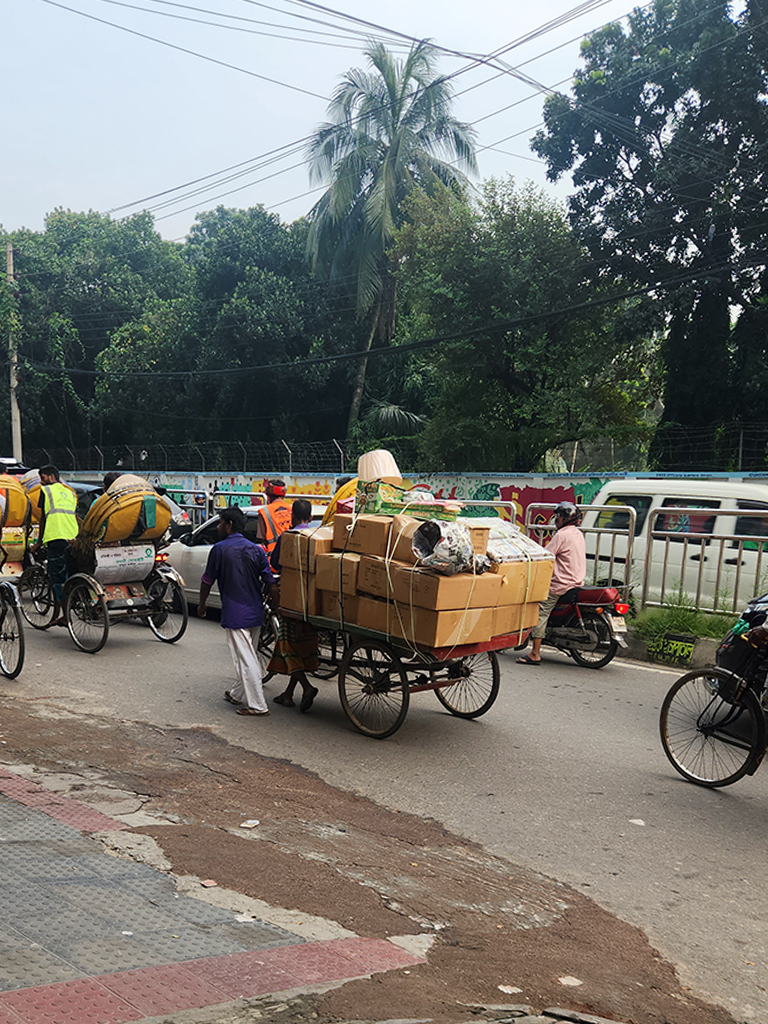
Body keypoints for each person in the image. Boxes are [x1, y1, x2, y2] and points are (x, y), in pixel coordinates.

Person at [198, 506, 279, 716]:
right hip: (255, 611)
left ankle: (258, 705)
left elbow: (207, 580)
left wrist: (202, 603)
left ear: (229, 525)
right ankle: (237, 693)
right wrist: (276, 608)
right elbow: (270, 582)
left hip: (236, 612)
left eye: (221, 523)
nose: (218, 527)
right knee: (248, 654)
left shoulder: (220, 549)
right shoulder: (256, 549)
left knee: (246, 659)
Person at [518, 501, 586, 666]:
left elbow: (546, 555)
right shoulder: (577, 533)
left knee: (540, 611)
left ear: (565, 518)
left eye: (558, 517)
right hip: (576, 580)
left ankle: (535, 653)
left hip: (561, 584)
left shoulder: (561, 535)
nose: (556, 520)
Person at [267, 499, 320, 713]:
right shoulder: (318, 536)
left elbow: (275, 564)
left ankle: (306, 688)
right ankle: (288, 694)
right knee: (304, 648)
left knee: (288, 648)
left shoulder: (288, 537)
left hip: (292, 602)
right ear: (310, 517)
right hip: (316, 602)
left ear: (293, 517)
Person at [34, 465, 79, 626]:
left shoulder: (46, 492)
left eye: (43, 477)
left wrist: (38, 542)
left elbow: (43, 519)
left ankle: (66, 617)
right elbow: (74, 515)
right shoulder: (70, 492)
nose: (41, 481)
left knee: (58, 579)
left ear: (51, 477)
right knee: (72, 574)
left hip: (56, 538)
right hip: (72, 538)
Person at [254, 478, 292, 558]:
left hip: (274, 557)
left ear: (268, 495)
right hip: (292, 556)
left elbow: (262, 537)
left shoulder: (264, 512)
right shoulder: (292, 509)